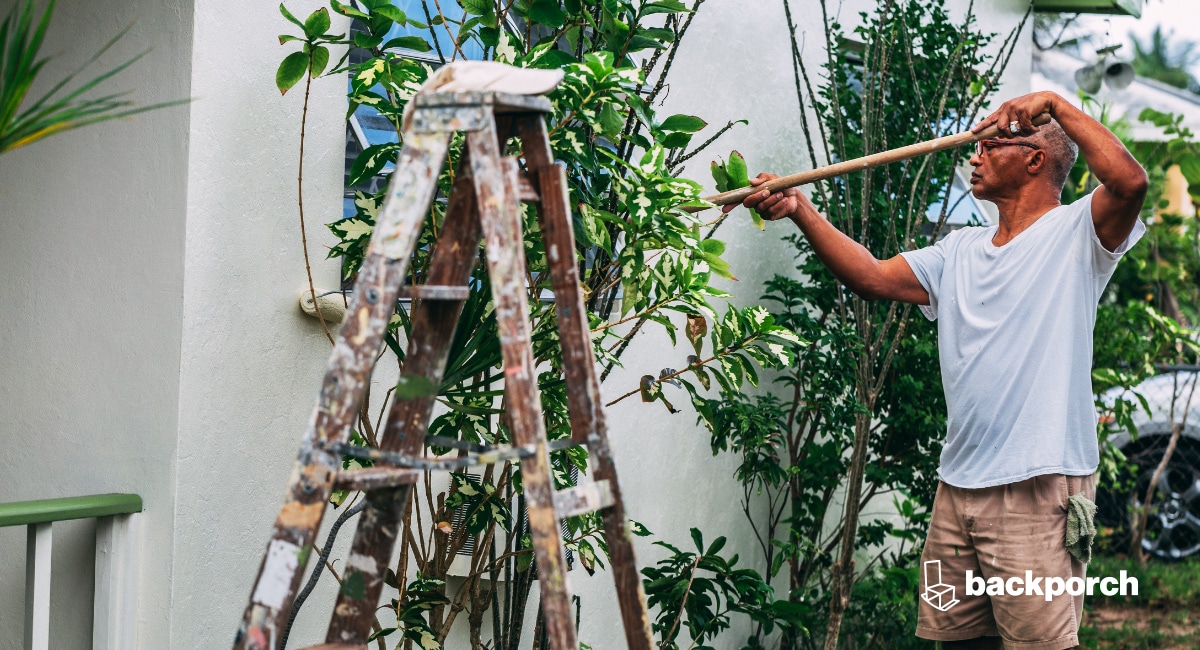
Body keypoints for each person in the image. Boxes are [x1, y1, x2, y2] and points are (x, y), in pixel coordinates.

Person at [728, 91, 1147, 650]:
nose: (974, 155)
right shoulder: (958, 252)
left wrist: (1054, 104)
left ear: (1035, 159)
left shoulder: (1077, 236)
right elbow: (872, 276)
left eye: (991, 144)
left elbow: (1130, 184)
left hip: (1037, 488)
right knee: (957, 641)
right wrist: (801, 208)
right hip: (958, 490)